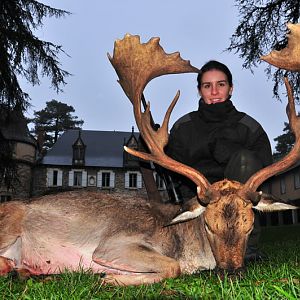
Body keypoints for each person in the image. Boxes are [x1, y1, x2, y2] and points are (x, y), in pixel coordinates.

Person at [165, 60, 273, 262]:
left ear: (231, 89)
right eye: (207, 86)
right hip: (201, 202)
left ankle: (247, 246)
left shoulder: (248, 127)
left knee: (244, 159)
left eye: (221, 84)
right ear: (200, 91)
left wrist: (231, 152)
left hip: (238, 202)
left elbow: (265, 165)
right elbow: (173, 170)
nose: (214, 92)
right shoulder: (183, 127)